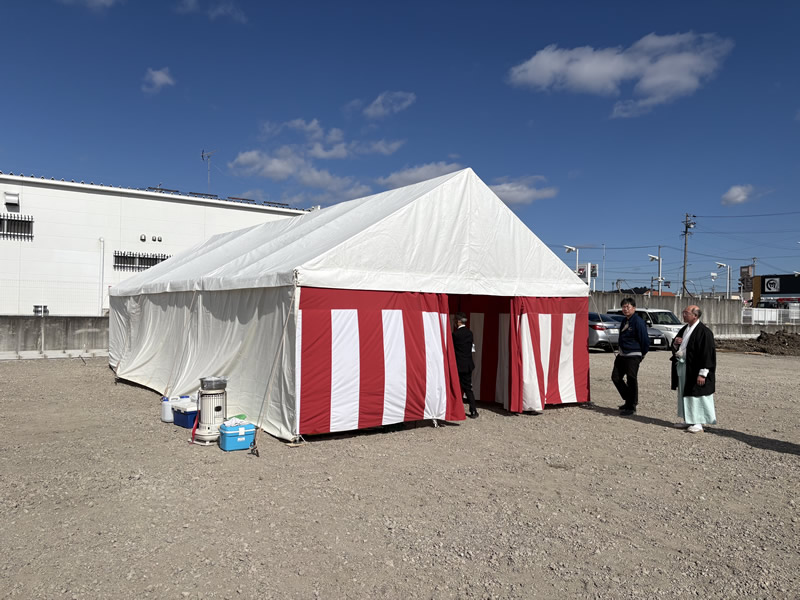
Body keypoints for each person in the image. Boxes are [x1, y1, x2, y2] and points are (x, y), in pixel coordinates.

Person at [671, 305, 716, 433]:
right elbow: (675, 344)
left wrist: (703, 373)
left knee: (697, 394)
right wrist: (676, 343)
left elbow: (708, 354)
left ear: (695, 316)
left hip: (696, 368)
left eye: (686, 313)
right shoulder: (685, 329)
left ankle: (698, 422)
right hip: (684, 365)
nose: (683, 315)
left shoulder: (704, 332)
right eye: (683, 312)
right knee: (685, 392)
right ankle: (688, 419)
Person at [611, 297, 649, 416]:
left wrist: (641, 354)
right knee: (616, 377)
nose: (625, 309)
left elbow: (644, 339)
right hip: (622, 354)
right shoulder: (624, 321)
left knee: (631, 379)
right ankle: (629, 399)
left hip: (633, 354)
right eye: (623, 307)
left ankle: (631, 406)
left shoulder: (637, 321)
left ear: (634, 308)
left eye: (628, 307)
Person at [452, 312, 478, 419]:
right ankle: (473, 410)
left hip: (459, 365)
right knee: (468, 388)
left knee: (455, 387)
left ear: (458, 321)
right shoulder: (470, 333)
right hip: (468, 364)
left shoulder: (455, 335)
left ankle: (456, 409)